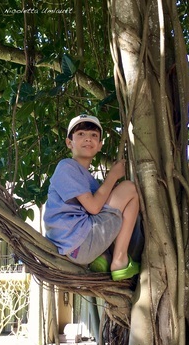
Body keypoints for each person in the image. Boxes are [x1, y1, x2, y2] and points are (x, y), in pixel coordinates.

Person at [44, 114, 141, 281]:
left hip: (75, 245)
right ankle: (119, 260)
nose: (88, 138)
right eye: (81, 134)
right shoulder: (66, 166)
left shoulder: (88, 180)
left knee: (118, 192)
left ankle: (102, 257)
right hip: (78, 242)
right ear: (69, 143)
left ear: (100, 145)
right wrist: (113, 176)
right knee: (130, 189)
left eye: (94, 135)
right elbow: (94, 207)